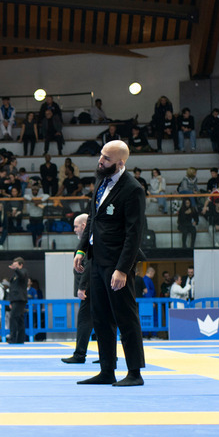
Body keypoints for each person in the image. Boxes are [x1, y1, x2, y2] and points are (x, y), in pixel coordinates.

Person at [74, 140, 147, 386]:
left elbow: (133, 234)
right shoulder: (102, 182)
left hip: (117, 264)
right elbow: (92, 220)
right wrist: (81, 250)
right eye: (101, 156)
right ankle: (107, 370)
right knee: (100, 317)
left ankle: (135, 372)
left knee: (125, 317)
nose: (100, 161)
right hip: (97, 260)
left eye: (106, 158)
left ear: (120, 163)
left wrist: (122, 269)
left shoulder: (133, 189)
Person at [62, 214, 95, 364]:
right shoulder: (87, 242)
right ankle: (109, 355)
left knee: (84, 321)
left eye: (76, 226)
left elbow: (89, 266)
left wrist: (82, 287)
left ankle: (80, 354)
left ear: (83, 225)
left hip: (90, 290)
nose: (74, 229)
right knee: (101, 322)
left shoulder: (89, 243)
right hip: (93, 288)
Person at [7, 257, 28, 344]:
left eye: (16, 264)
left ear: (21, 265)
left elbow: (21, 276)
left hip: (20, 299)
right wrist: (11, 301)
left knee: (13, 318)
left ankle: (13, 338)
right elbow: (12, 288)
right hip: (15, 299)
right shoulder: (15, 275)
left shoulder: (23, 271)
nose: (14, 265)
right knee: (19, 319)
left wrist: (16, 269)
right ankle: (20, 339)